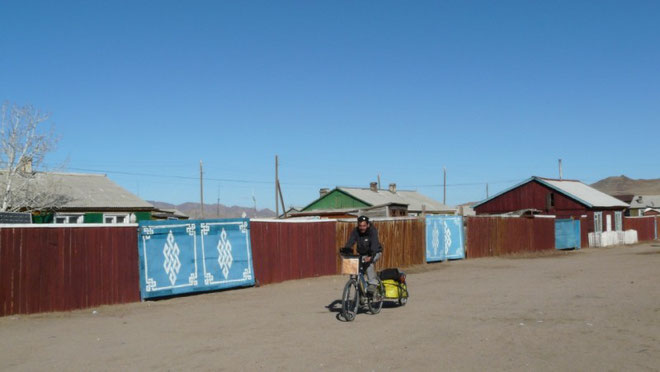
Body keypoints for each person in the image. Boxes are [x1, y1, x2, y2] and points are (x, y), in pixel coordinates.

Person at [340, 215, 382, 296]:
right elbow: (351, 241)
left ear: (368, 225)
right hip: (362, 254)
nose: (362, 228)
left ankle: (373, 283)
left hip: (375, 252)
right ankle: (361, 294)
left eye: (364, 226)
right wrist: (346, 250)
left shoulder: (372, 231)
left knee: (368, 263)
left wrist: (371, 256)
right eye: (360, 226)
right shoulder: (356, 231)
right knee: (357, 269)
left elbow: (374, 244)